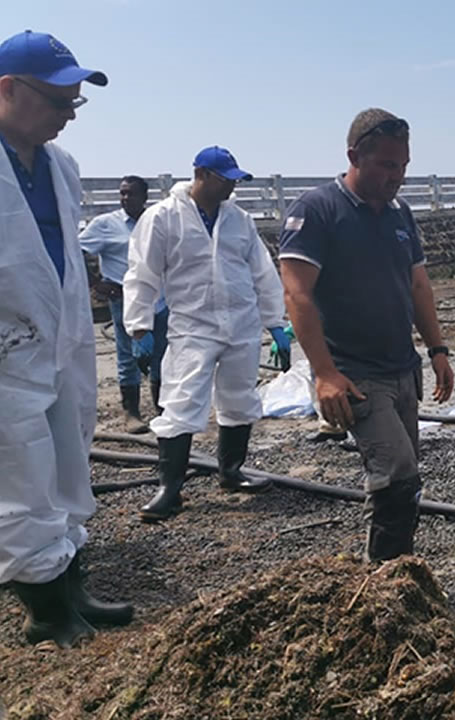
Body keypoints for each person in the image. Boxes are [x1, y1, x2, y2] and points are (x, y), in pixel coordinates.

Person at [0, 29, 133, 647]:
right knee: (21, 477)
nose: (67, 118)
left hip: (62, 344)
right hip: (5, 358)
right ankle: (46, 614)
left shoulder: (60, 165)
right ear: (8, 90)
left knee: (68, 466)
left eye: (75, 104)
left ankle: (73, 587)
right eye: (59, 103)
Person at [278, 109, 455, 562]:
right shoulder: (318, 210)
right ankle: (382, 586)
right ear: (355, 156)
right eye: (386, 165)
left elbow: (417, 285)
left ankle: (398, 574)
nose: (396, 177)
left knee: (408, 477)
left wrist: (437, 349)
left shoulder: (400, 214)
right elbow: (297, 295)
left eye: (403, 166)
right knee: (395, 475)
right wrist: (324, 374)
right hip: (355, 374)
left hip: (402, 369)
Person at [124, 146, 288, 521]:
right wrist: (139, 327)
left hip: (241, 323)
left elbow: (262, 271)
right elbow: (142, 274)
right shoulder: (164, 218)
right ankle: (170, 489)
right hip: (193, 326)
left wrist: (275, 322)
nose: (232, 186)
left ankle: (230, 472)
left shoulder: (238, 219)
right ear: (201, 175)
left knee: (239, 397)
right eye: (226, 179)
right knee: (181, 402)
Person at [79, 175, 170, 432]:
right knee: (128, 355)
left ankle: (162, 408)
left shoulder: (156, 221)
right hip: (123, 298)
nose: (125, 198)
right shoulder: (106, 225)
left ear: (145, 197)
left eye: (131, 193)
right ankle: (131, 413)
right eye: (122, 193)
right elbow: (76, 250)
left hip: (159, 298)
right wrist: (95, 283)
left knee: (161, 354)